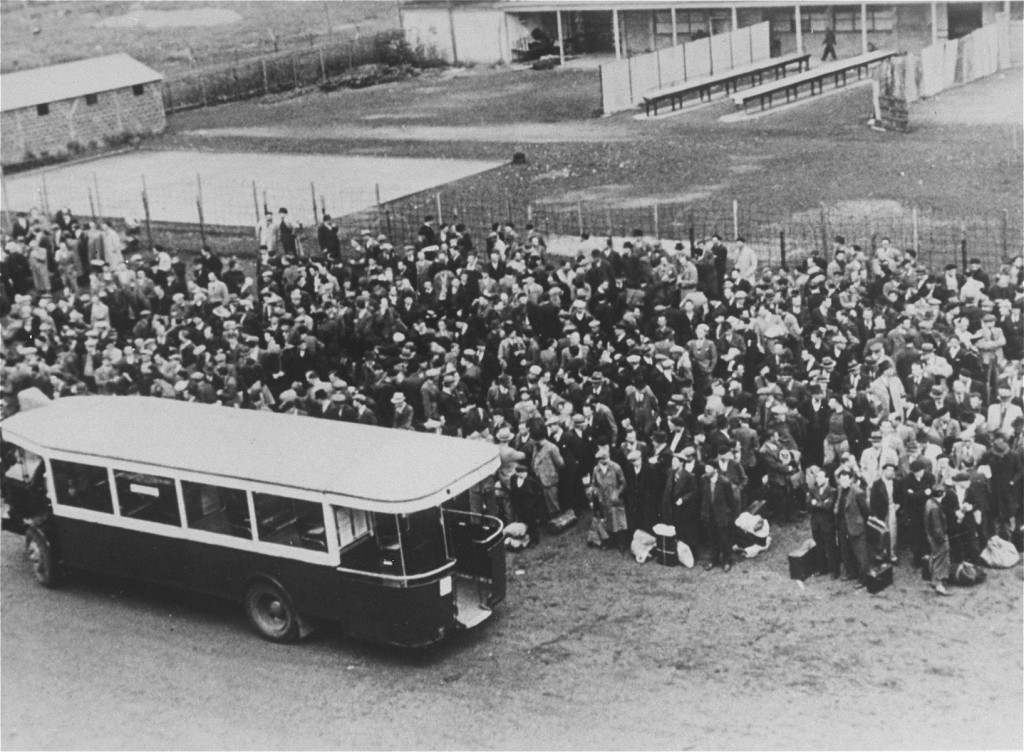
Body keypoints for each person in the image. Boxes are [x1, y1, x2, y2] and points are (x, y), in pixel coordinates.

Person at [700, 459, 739, 572]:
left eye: (708, 468)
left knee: (725, 538)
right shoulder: (704, 479)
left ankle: (727, 560)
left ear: (715, 469)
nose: (706, 470)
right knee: (712, 538)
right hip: (710, 513)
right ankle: (714, 559)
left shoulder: (724, 482)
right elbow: (704, 498)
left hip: (722, 514)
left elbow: (731, 501)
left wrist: (729, 515)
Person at [837, 466, 870, 587]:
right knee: (846, 551)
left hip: (856, 526)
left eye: (846, 480)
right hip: (843, 524)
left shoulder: (857, 492)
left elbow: (866, 510)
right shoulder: (841, 489)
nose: (843, 482)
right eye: (841, 480)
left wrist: (861, 524)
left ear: (851, 480)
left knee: (860, 554)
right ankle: (851, 573)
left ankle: (863, 579)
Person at [806, 465, 840, 578]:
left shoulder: (832, 491)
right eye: (817, 477)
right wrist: (820, 503)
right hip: (816, 524)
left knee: (830, 547)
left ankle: (834, 570)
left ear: (827, 479)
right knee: (819, 547)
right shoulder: (812, 490)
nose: (818, 479)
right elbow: (808, 505)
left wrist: (816, 503)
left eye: (821, 477)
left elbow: (828, 506)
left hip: (827, 524)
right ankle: (822, 568)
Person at [924, 488, 951, 596]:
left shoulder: (929, 502)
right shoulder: (935, 507)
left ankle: (934, 581)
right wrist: (942, 539)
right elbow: (937, 527)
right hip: (937, 538)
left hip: (931, 536)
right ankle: (938, 584)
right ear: (942, 494)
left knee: (934, 557)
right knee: (941, 559)